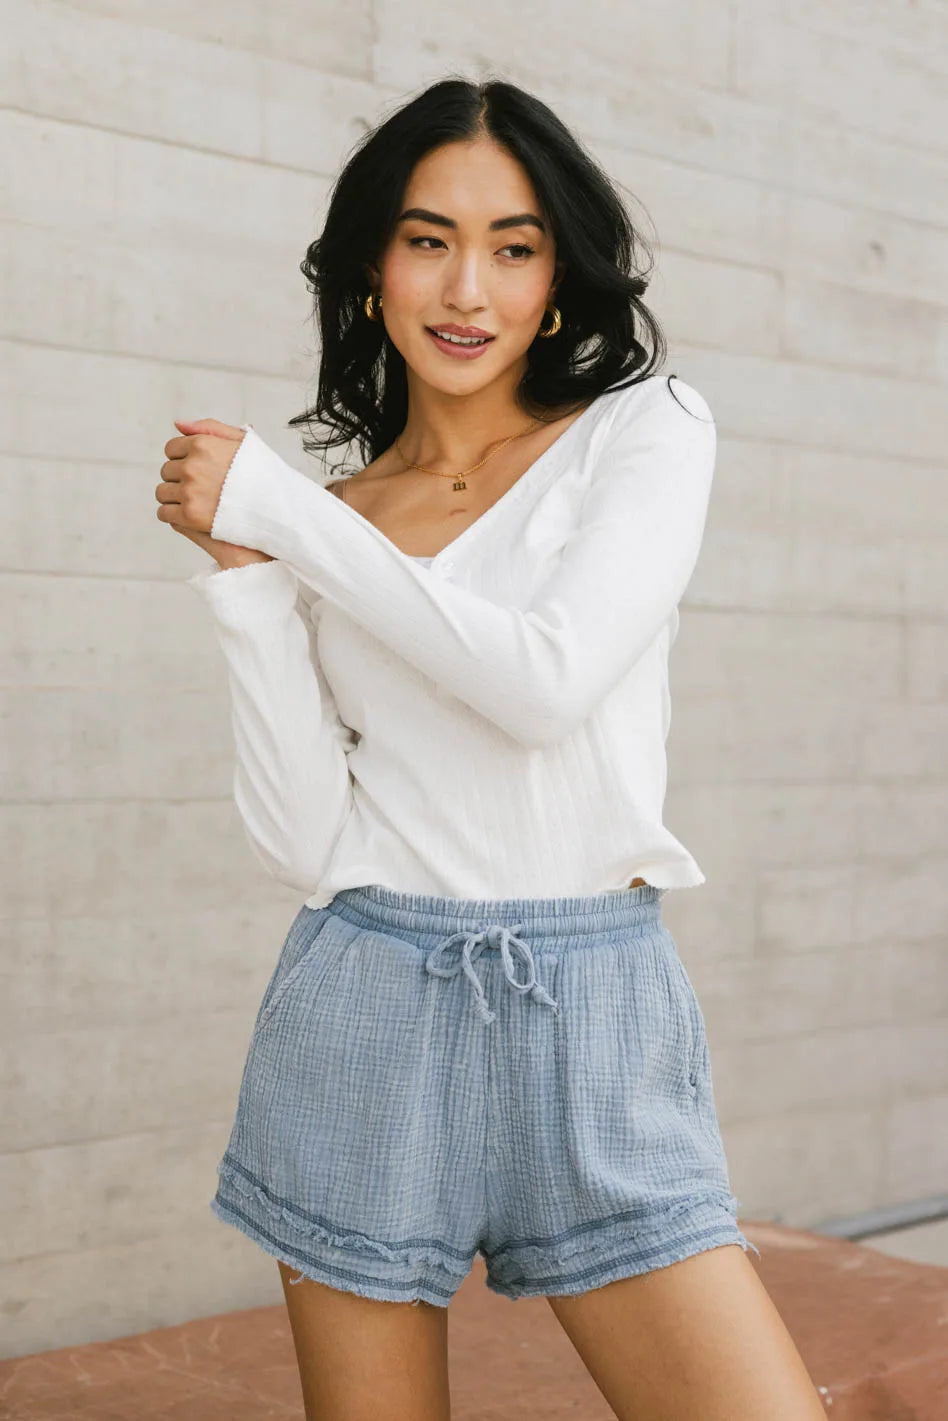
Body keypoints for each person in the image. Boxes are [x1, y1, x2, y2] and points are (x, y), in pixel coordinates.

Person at [157, 76, 826, 1421]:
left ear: (558, 281)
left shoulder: (643, 433)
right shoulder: (327, 519)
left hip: (590, 1009)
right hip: (365, 1002)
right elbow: (307, 844)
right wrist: (248, 580)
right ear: (372, 270)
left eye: (514, 248)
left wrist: (285, 516)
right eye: (429, 240)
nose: (469, 288)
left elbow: (545, 681)